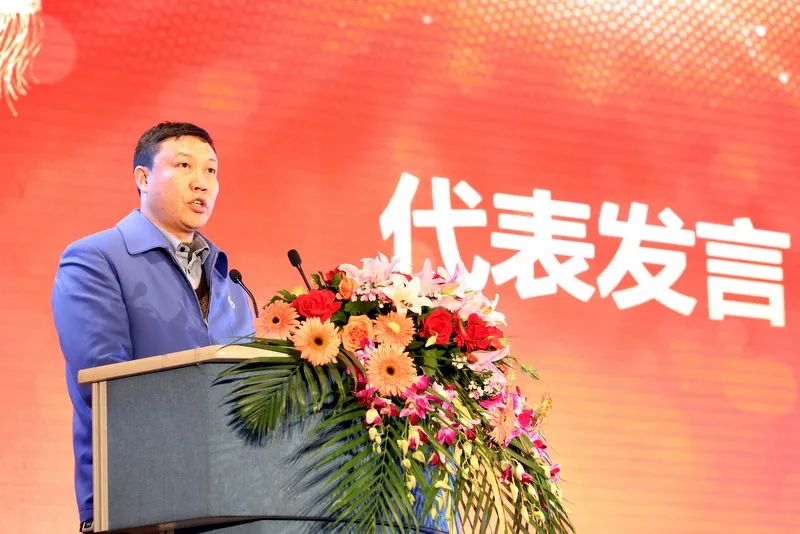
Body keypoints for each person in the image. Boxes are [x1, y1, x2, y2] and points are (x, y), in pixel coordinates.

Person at [52, 122, 254, 533]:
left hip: (230, 503)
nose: (201, 182)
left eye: (211, 170)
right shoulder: (96, 260)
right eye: (184, 166)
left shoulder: (229, 281)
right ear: (143, 178)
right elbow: (105, 382)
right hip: (137, 501)